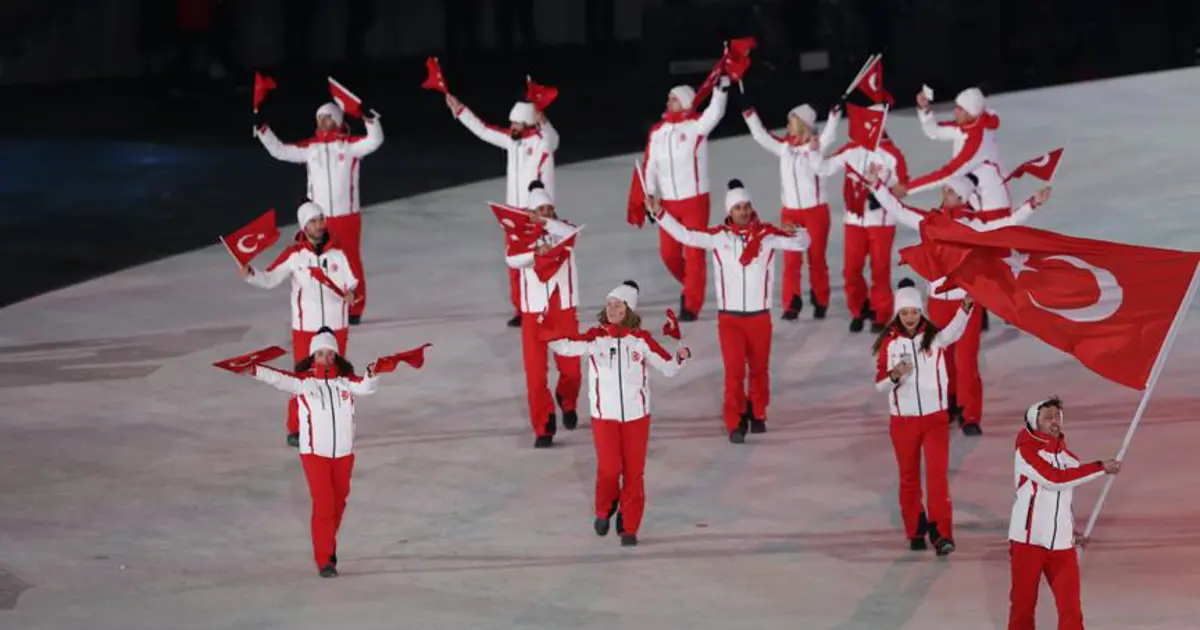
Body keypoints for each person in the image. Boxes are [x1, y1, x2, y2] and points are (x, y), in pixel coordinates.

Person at [865, 163, 1052, 435]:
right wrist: (876, 186)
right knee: (941, 355)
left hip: (966, 300)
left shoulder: (975, 224)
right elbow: (898, 210)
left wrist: (1032, 204)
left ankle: (970, 414)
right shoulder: (931, 220)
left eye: (950, 190)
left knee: (966, 359)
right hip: (938, 300)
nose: (945, 193)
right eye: (945, 189)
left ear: (963, 196)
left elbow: (1006, 223)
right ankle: (948, 403)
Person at [649, 179, 810, 443]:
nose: (744, 212)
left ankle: (758, 413)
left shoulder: (768, 235)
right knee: (734, 373)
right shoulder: (718, 237)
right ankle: (735, 421)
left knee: (759, 369)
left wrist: (800, 230)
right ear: (729, 212)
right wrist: (660, 214)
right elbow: (686, 235)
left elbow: (802, 243)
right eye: (738, 208)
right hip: (730, 320)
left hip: (759, 317)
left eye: (746, 206)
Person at [547, 281, 691, 547]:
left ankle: (629, 526)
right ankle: (604, 509)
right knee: (610, 469)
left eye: (619, 304)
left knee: (634, 473)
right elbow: (565, 346)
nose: (613, 308)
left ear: (629, 309)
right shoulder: (594, 338)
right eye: (609, 304)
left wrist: (681, 357)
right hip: (605, 418)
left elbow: (668, 367)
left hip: (637, 417)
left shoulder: (642, 340)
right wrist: (547, 326)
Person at [238, 330, 383, 577]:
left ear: (336, 356)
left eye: (329, 353)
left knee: (339, 503)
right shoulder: (303, 383)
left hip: (344, 453)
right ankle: (326, 559)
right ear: (312, 356)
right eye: (320, 353)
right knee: (324, 504)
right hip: (315, 454)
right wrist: (253, 370)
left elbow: (367, 387)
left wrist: (373, 374)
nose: (325, 358)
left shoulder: (346, 382)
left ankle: (327, 544)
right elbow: (277, 378)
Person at [239, 201, 358, 447]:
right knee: (303, 377)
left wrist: (350, 294)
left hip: (336, 325)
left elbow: (351, 283)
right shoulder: (294, 256)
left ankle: (338, 423)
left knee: (338, 375)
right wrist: (252, 274)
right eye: (313, 221)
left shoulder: (338, 253)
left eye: (321, 219)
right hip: (307, 327)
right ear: (304, 226)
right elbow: (270, 279)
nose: (319, 225)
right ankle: (296, 427)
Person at [255, 101, 383, 325]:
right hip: (317, 219)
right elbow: (280, 151)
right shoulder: (309, 148)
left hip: (347, 217)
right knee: (316, 261)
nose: (322, 121)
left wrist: (369, 119)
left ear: (337, 120)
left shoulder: (350, 146)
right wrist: (263, 130)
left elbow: (375, 140)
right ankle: (326, 304)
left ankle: (354, 308)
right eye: (320, 117)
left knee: (350, 261)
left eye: (327, 117)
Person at [873, 280, 973, 555]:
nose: (909, 318)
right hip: (903, 421)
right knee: (909, 477)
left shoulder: (934, 337)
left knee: (938, 477)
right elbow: (879, 384)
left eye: (914, 312)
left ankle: (941, 533)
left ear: (921, 312)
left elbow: (955, 330)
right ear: (897, 313)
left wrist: (965, 307)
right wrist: (895, 376)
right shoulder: (889, 343)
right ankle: (915, 530)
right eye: (904, 312)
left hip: (935, 419)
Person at [1008, 396, 1121, 630]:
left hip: (1062, 545)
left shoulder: (1069, 458)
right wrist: (1100, 467)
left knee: (1071, 609)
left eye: (1057, 416)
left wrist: (1070, 530)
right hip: (1028, 542)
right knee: (1023, 607)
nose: (1054, 421)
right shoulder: (1026, 452)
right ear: (1034, 421)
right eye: (1047, 417)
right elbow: (1055, 480)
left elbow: (1063, 499)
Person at [446, 94, 559, 327]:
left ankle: (545, 307)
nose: (512, 127)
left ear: (528, 123)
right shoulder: (511, 140)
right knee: (515, 263)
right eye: (512, 123)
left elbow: (552, 138)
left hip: (536, 214)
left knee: (540, 261)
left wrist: (543, 120)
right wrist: (461, 110)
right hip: (513, 214)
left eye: (517, 123)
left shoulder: (542, 141)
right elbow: (484, 130)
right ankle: (521, 309)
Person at [741, 99, 842, 320]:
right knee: (791, 260)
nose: (787, 125)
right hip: (791, 213)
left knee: (816, 258)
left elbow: (830, 136)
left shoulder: (816, 144)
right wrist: (749, 113)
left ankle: (820, 300)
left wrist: (834, 116)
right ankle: (791, 304)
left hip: (815, 211)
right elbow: (761, 136)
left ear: (800, 123)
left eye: (790, 121)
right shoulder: (785, 147)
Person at [642, 73, 730, 322]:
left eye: (674, 99)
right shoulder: (658, 132)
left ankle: (691, 304)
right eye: (668, 98)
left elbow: (716, 113)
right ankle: (693, 285)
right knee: (668, 254)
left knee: (694, 254)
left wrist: (721, 89)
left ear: (686, 102)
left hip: (695, 200)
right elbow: (650, 165)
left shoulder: (696, 126)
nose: (668, 102)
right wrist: (649, 195)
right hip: (667, 202)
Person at [504, 181, 582, 448]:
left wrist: (546, 224)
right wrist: (535, 251)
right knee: (535, 376)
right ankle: (544, 427)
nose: (545, 212)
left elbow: (572, 234)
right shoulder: (521, 236)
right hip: (533, 316)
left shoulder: (564, 229)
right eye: (540, 209)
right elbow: (512, 258)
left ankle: (567, 400)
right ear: (530, 211)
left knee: (572, 371)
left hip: (564, 312)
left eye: (549, 208)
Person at [824, 105, 910, 332]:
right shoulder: (852, 149)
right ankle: (859, 309)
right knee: (851, 269)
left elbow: (904, 184)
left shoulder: (892, 154)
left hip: (881, 221)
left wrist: (891, 191)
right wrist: (814, 148)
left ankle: (881, 313)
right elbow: (823, 168)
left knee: (880, 269)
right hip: (855, 219)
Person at [903, 87, 1012, 218]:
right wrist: (924, 109)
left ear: (969, 114)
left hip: (992, 205)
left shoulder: (976, 141)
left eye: (959, 109)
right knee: (948, 197)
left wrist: (907, 188)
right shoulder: (969, 125)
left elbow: (947, 174)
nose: (955, 112)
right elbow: (935, 130)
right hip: (971, 194)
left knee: (949, 191)